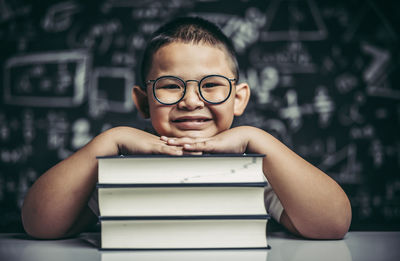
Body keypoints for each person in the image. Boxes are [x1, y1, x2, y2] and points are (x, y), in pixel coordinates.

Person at [21, 16, 351, 240]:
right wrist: (107, 141)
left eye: (211, 85)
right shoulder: (121, 171)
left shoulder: (256, 171)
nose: (191, 101)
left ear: (239, 99)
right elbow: (39, 224)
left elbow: (333, 224)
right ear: (142, 101)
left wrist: (258, 139)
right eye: (169, 85)